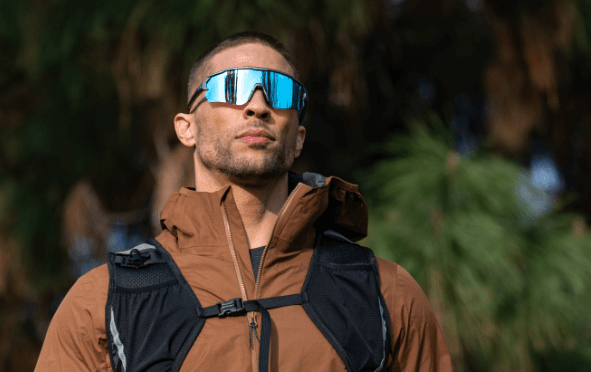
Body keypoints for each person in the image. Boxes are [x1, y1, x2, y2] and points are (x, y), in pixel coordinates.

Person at [34, 31, 453, 372]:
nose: (257, 105)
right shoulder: (104, 302)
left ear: (298, 138)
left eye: (280, 91)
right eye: (230, 87)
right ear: (186, 128)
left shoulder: (384, 292)